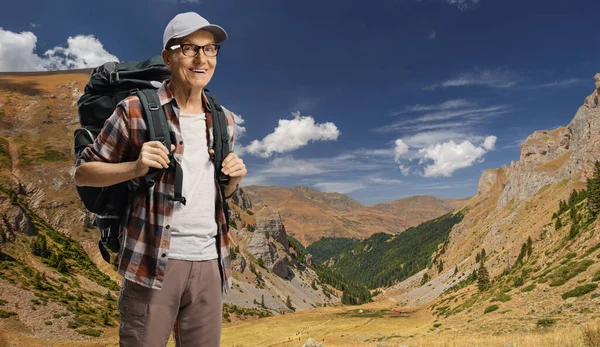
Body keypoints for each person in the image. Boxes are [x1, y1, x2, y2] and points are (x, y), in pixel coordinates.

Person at [74, 12, 246, 347]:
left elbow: (217, 193)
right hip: (151, 262)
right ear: (168, 56)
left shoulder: (224, 120)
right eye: (189, 49)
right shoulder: (134, 109)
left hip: (210, 262)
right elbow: (84, 172)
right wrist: (135, 168)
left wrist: (233, 181)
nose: (201, 59)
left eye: (210, 49)